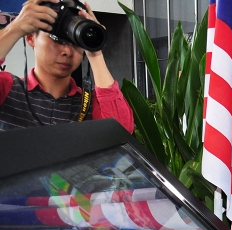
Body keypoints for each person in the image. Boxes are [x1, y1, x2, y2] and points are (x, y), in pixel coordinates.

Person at [0, 0, 133, 132]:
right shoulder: (7, 89)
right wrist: (15, 28)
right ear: (30, 38)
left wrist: (95, 52)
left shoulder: (89, 105)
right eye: (57, 40)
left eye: (76, 44)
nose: (67, 52)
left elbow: (120, 134)